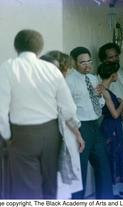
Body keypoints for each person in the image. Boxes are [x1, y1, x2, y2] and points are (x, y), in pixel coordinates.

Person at [0, 29, 78, 199]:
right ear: (40, 49)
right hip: (51, 133)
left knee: (26, 189)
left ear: (16, 47)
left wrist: (8, 135)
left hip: (22, 134)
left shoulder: (9, 67)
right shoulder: (51, 69)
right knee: (50, 185)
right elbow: (69, 108)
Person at [66, 46, 113, 199]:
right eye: (82, 62)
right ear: (74, 63)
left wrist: (99, 96)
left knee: (103, 167)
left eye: (89, 61)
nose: (87, 65)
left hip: (95, 125)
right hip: (80, 128)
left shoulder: (93, 78)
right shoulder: (69, 82)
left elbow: (99, 104)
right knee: (80, 171)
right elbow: (66, 109)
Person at [40, 53, 85, 198]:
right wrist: (78, 135)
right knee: (62, 182)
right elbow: (68, 113)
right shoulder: (58, 85)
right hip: (61, 134)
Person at [98, 42, 123, 197]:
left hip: (120, 119)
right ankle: (111, 191)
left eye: (115, 56)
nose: (114, 59)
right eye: (110, 57)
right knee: (112, 156)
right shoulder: (103, 79)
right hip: (112, 122)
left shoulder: (120, 72)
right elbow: (111, 107)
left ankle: (117, 189)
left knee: (119, 155)